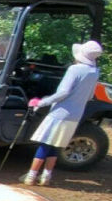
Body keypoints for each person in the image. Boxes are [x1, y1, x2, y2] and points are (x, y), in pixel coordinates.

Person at [21, 40, 103, 186]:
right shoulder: (94, 72)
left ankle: (31, 176)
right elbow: (90, 96)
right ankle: (46, 177)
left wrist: (42, 102)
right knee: (55, 145)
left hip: (60, 112)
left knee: (45, 143)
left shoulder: (74, 69)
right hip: (76, 114)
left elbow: (63, 92)